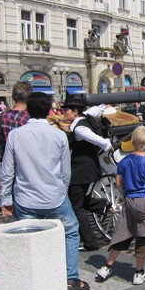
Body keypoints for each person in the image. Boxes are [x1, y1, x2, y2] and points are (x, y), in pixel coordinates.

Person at [0, 93, 90, 290]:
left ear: (27, 111)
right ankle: (70, 277)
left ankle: (35, 277)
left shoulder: (16, 134)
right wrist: (62, 191)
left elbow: (8, 170)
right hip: (54, 196)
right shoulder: (58, 134)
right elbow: (65, 171)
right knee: (70, 231)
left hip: (25, 198)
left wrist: (6, 199)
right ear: (50, 110)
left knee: (30, 238)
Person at [96, 126, 145, 285]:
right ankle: (139, 272)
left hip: (130, 200)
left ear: (132, 142)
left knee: (123, 233)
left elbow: (118, 182)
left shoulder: (124, 162)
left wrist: (125, 193)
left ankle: (107, 266)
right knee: (144, 237)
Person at [56, 98, 112, 251]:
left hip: (81, 170)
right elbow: (97, 108)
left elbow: (101, 142)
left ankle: (91, 242)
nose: (63, 113)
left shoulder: (80, 129)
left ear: (75, 112)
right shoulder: (85, 116)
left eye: (66, 111)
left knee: (75, 206)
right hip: (85, 169)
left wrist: (108, 146)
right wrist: (103, 106)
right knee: (75, 199)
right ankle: (102, 205)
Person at [0, 81, 33, 161]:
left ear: (13, 97)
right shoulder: (28, 120)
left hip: (5, 160)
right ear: (30, 98)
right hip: (25, 164)